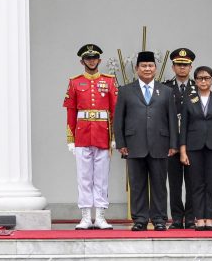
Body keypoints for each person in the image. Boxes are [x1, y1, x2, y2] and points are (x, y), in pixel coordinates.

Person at [113, 51, 178, 231]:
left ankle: (159, 219)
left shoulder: (166, 91)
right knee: (137, 184)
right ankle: (140, 219)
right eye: (143, 66)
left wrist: (173, 144)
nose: (147, 69)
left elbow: (172, 119)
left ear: (155, 69)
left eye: (150, 66)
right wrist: (121, 143)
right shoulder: (126, 90)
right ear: (137, 69)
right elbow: (119, 119)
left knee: (159, 183)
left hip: (160, 144)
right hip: (134, 144)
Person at [63, 43, 118, 230]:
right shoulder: (75, 82)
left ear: (99, 60)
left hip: (103, 135)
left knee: (101, 178)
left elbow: (114, 111)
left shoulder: (109, 81)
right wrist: (70, 139)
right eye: (88, 58)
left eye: (94, 58)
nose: (91, 61)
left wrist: (114, 136)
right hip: (82, 135)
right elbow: (71, 112)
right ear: (82, 61)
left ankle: (101, 216)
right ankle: (86, 217)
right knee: (84, 178)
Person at [179, 65, 212, 231]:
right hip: (194, 147)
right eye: (200, 78)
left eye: (206, 78)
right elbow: (184, 127)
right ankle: (199, 219)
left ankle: (209, 219)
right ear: (195, 81)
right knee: (197, 184)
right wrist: (183, 151)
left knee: (211, 184)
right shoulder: (189, 100)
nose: (203, 81)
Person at [164, 48, 198, 229]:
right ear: (173, 66)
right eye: (179, 65)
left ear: (191, 67)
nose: (182, 68)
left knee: (192, 183)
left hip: (192, 142)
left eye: (185, 65)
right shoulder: (165, 88)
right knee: (175, 183)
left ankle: (191, 218)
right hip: (172, 143)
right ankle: (177, 218)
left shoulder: (198, 87)